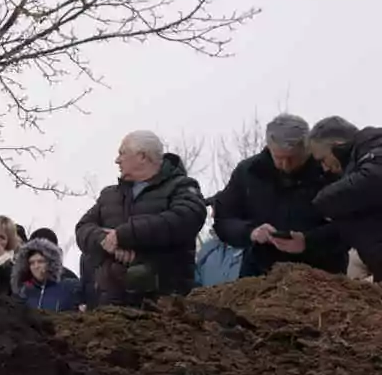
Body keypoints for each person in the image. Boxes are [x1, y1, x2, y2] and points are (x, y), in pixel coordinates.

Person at [74, 131, 207, 307]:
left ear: (142, 156)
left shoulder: (181, 186)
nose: (117, 160)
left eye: (122, 153)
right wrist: (107, 241)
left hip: (165, 305)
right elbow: (83, 228)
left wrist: (126, 235)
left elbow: (188, 216)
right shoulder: (109, 195)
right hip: (110, 307)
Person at [212, 114, 344, 278]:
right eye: (279, 158)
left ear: (307, 148)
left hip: (323, 276)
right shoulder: (249, 172)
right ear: (269, 148)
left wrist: (307, 241)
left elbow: (351, 224)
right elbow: (224, 219)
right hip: (260, 274)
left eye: (293, 158)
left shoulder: (329, 170)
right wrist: (250, 232)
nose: (286, 165)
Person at [309, 117, 382, 277]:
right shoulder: (357, 162)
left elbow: (374, 178)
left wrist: (324, 200)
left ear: (337, 146)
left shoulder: (375, 146)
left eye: (323, 159)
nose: (325, 168)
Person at [17, 237, 82, 312]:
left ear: (51, 263)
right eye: (32, 263)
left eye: (41, 261)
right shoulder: (24, 292)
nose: (36, 266)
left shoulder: (70, 287)